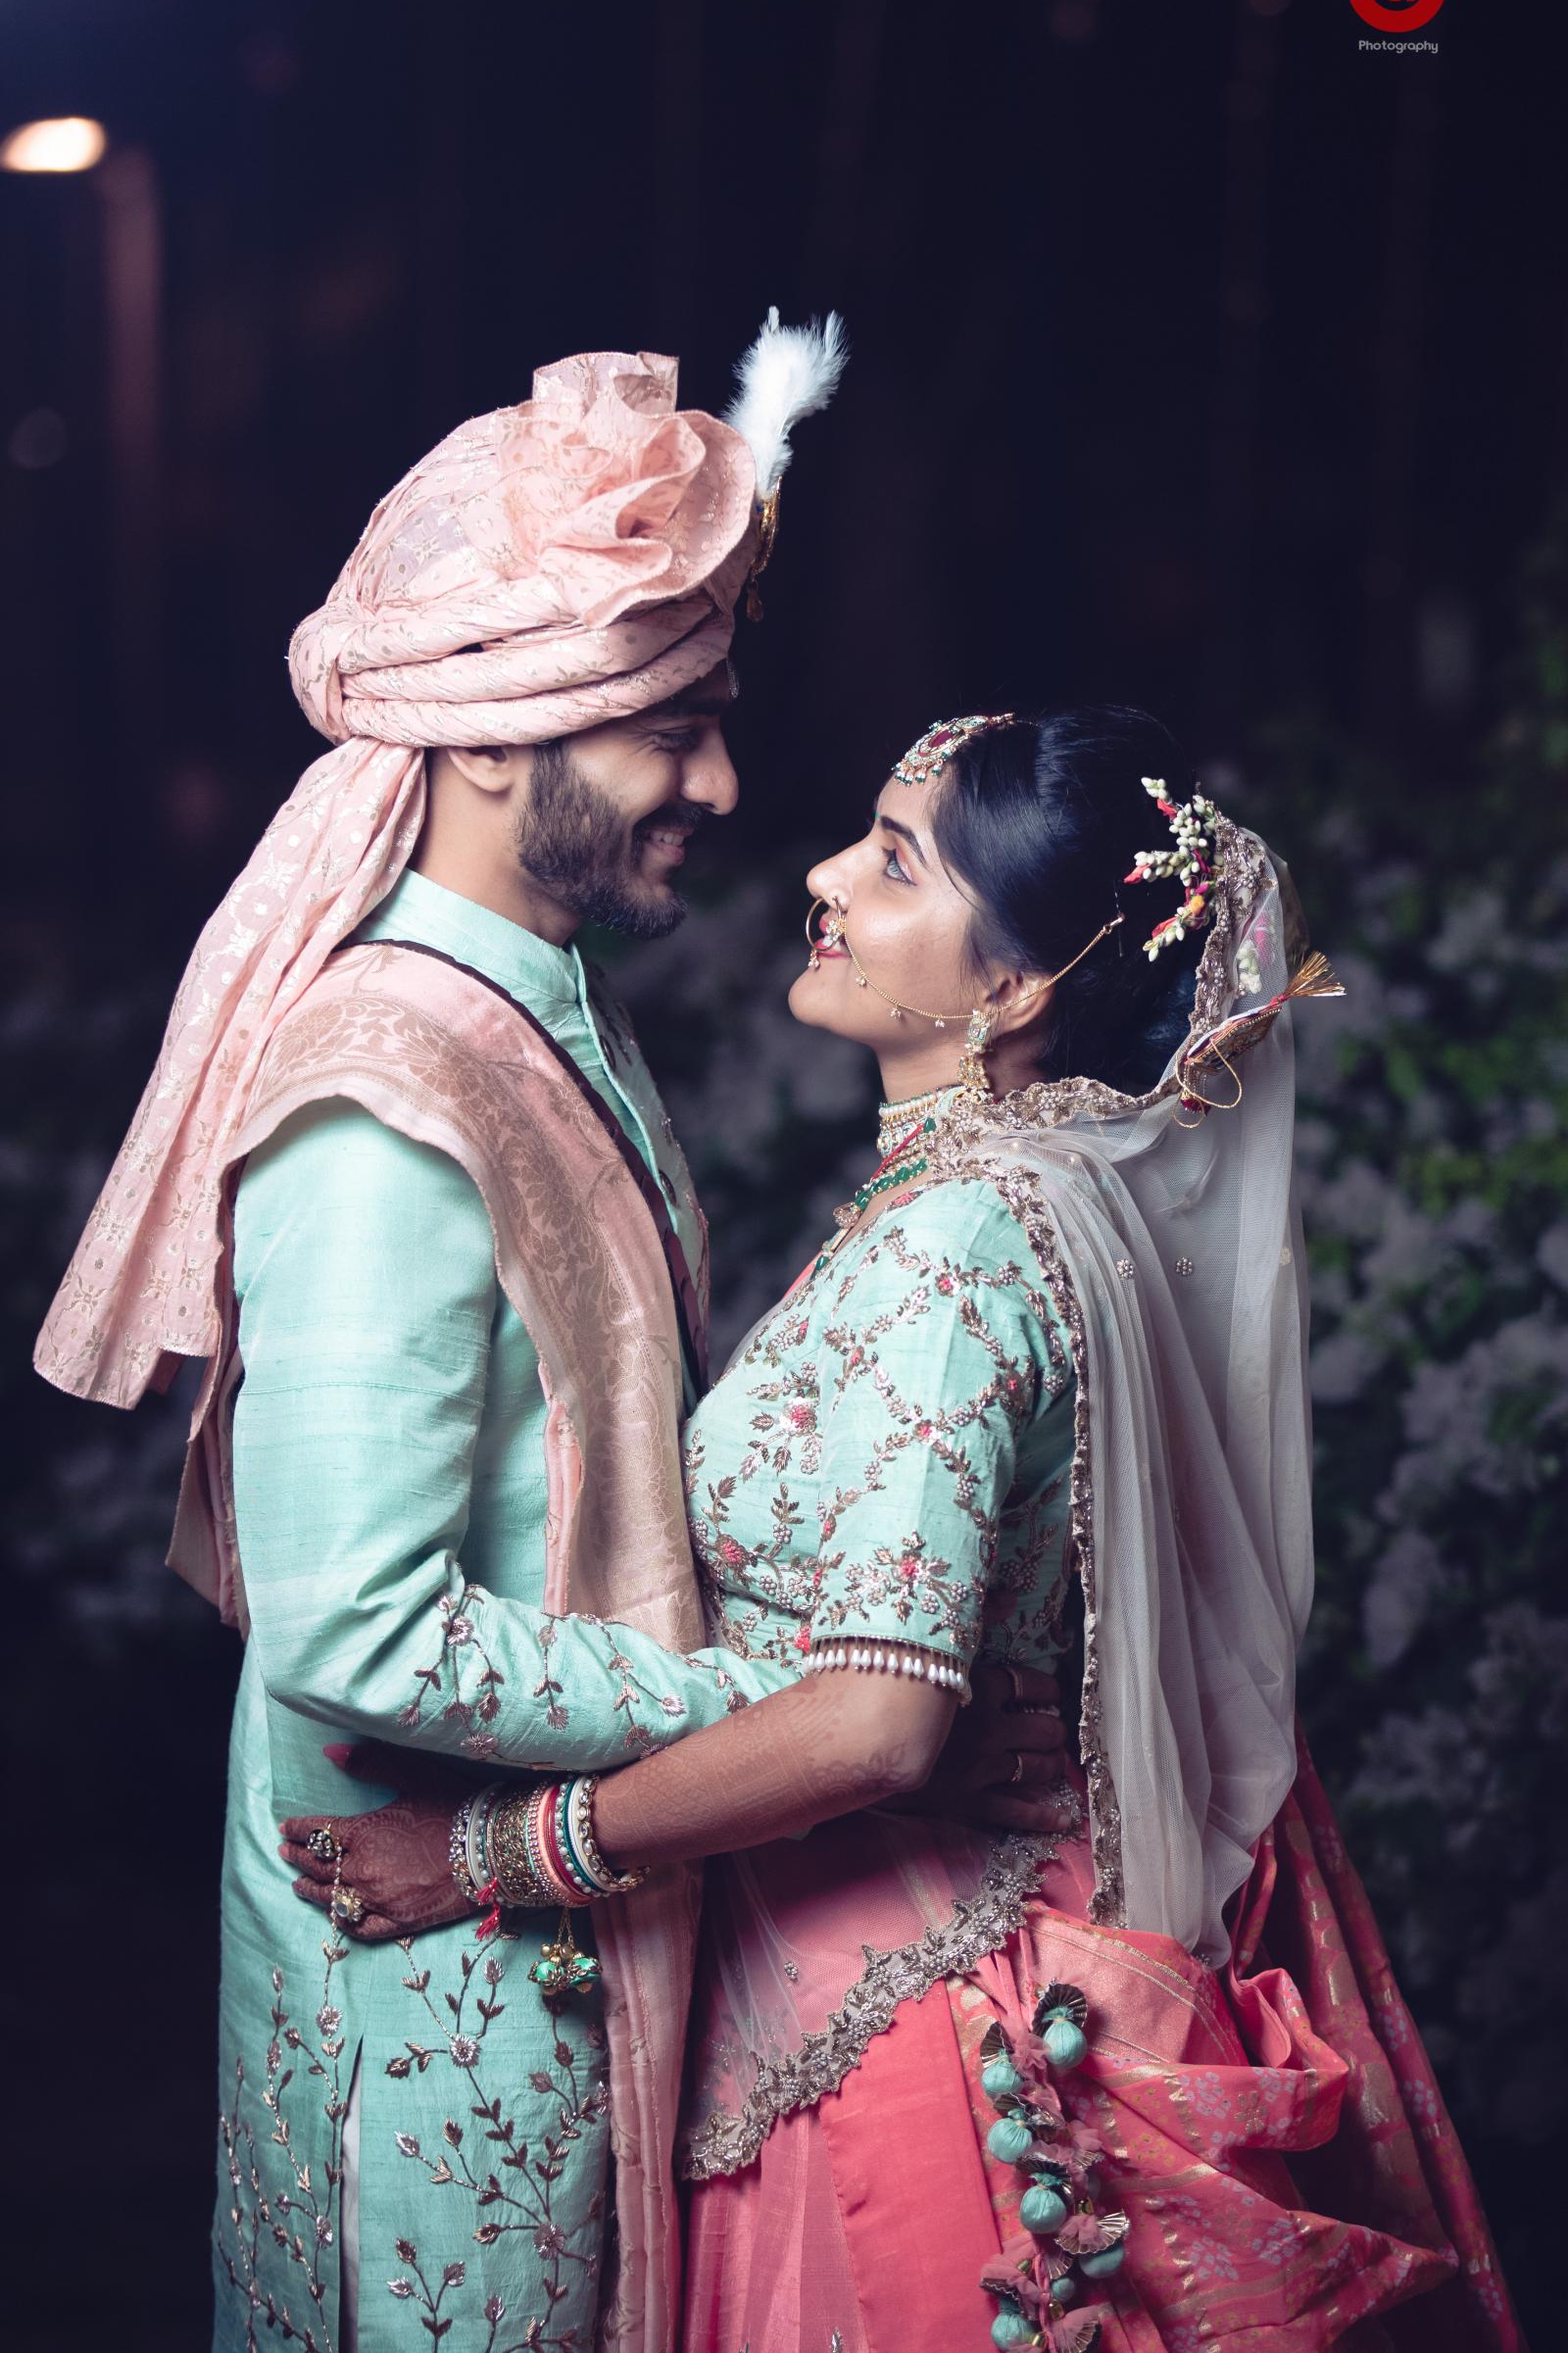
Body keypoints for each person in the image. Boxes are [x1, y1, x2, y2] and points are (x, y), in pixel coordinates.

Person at [35, 323, 1067, 2353]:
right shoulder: (385, 1097)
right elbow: (350, 1632)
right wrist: (764, 1700)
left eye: (714, 721)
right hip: (425, 1968)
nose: (722, 787)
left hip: (545, 1916)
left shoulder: (534, 1008)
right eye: (671, 731)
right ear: (500, 737)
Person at [284, 709, 1526, 2353]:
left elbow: (877, 1722)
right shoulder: (998, 1205)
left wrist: (495, 1856)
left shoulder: (957, 1249)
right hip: (866, 1970)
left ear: (1011, 990)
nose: (823, 876)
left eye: (892, 864)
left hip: (911, 2033)